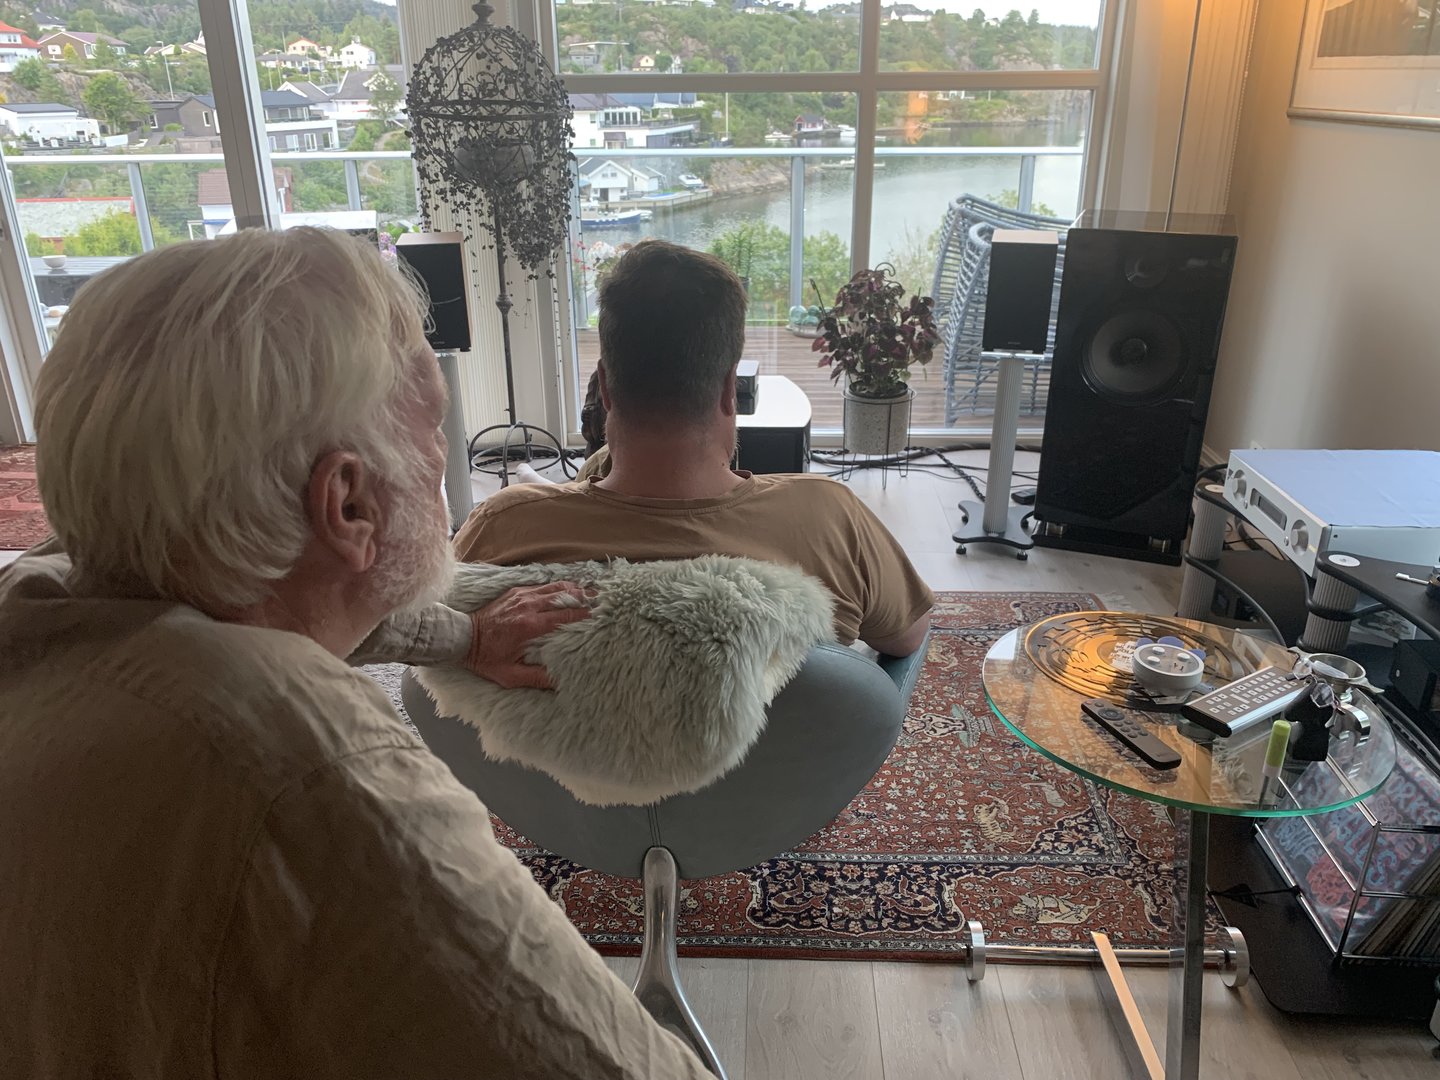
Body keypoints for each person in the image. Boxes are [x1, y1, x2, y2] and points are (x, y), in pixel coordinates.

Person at [0, 229, 710, 1078]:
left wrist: (466, 636)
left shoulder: (40, 598)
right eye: (434, 423)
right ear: (348, 503)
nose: (443, 456)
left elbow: (267, 595)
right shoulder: (315, 773)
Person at [454, 239, 933, 657]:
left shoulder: (505, 526)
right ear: (730, 389)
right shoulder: (830, 519)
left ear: (605, 388)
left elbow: (435, 657)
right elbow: (907, 637)